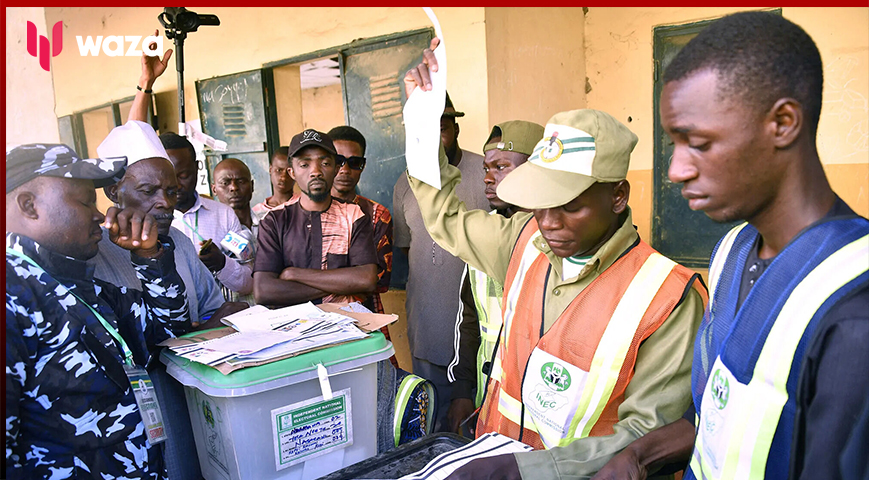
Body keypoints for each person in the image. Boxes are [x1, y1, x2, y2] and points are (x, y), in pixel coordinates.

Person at [403, 38, 707, 479]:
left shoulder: (669, 298)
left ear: (618, 196)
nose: (550, 222)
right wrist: (423, 129)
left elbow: (645, 433)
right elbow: (445, 218)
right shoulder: (522, 241)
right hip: (491, 458)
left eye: (570, 205)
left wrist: (528, 471)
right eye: (541, 203)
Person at [592, 11, 869, 480]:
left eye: (697, 142)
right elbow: (720, 415)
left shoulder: (853, 309)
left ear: (782, 123)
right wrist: (638, 456)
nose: (676, 169)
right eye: (674, 143)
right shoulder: (733, 250)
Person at [5, 143, 191, 479]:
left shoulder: (75, 285)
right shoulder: (13, 295)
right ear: (29, 205)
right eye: (84, 200)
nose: (98, 214)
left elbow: (169, 330)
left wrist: (149, 257)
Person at [393, 90, 489, 432]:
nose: (434, 137)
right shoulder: (406, 183)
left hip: (481, 340)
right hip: (427, 329)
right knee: (432, 424)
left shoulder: (486, 173)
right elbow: (409, 249)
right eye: (425, 131)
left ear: (456, 128)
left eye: (442, 127)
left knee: (477, 428)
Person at [446, 120, 544, 436]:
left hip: (538, 404)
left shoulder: (559, 239)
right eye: (487, 167)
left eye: (501, 167)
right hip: (487, 394)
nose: (488, 178)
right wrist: (462, 388)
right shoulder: (485, 232)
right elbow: (470, 317)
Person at [253, 129, 378, 308]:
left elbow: (366, 279)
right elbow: (264, 291)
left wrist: (294, 274)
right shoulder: (274, 220)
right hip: (292, 328)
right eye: (304, 165)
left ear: (336, 169)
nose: (316, 172)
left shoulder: (354, 215)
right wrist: (342, 284)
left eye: (325, 163)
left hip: (349, 324)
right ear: (292, 173)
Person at [328, 125, 393, 314]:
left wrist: (314, 278)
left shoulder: (377, 214)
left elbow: (378, 282)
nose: (345, 170)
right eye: (338, 161)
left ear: (363, 166)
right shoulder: (304, 212)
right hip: (314, 319)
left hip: (365, 315)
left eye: (354, 162)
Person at [212, 157, 258, 305]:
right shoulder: (211, 233)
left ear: (252, 185)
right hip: (231, 316)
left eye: (241, 181)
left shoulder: (269, 223)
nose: (234, 188)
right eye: (225, 183)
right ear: (214, 189)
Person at [252, 147, 298, 222]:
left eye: (289, 171)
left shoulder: (303, 204)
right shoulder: (257, 212)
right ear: (270, 170)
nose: (283, 177)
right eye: (279, 170)